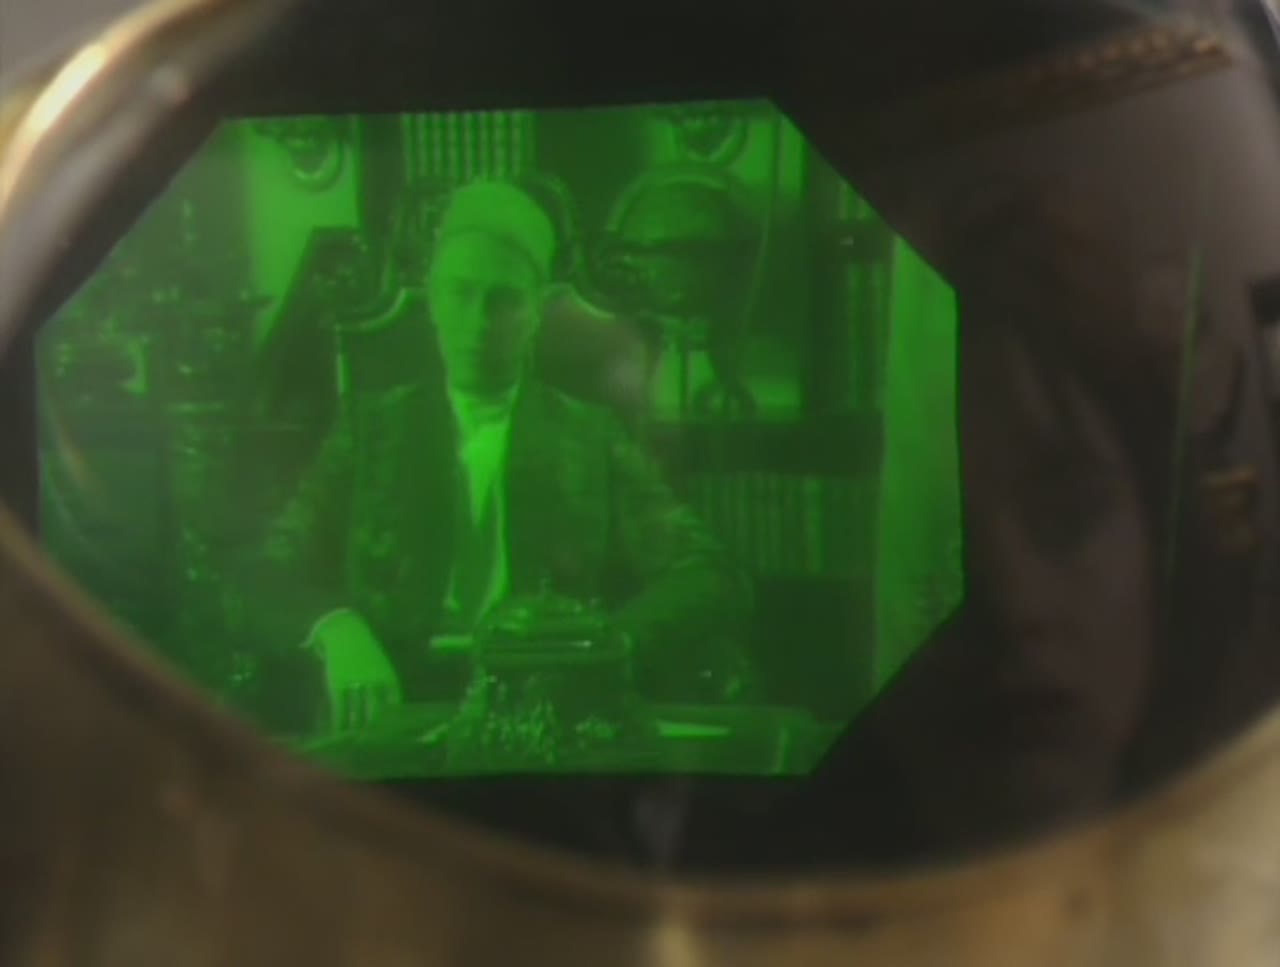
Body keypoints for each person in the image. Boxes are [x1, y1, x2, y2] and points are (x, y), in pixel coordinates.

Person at [245, 180, 751, 731]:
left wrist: (606, 644)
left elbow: (709, 573)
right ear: (432, 301)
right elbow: (263, 576)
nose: (480, 321)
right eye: (460, 293)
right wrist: (337, 629)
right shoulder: (370, 430)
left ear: (537, 311)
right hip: (397, 699)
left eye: (504, 299)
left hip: (549, 709)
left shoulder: (590, 434)